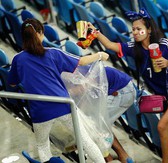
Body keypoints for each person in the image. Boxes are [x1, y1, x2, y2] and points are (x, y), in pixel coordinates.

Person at [87, 8, 168, 163]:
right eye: (133, 29)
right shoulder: (134, 47)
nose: (135, 32)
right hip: (166, 96)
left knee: (162, 127)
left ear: (149, 30)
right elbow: (110, 45)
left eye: (139, 29)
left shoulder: (165, 44)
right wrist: (95, 32)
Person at [7, 18, 109, 163]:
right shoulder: (53, 53)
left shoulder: (18, 59)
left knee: (43, 145)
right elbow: (81, 61)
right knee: (85, 141)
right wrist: (99, 55)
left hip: (39, 110)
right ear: (41, 33)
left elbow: (11, 83)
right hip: (63, 105)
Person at [77, 65, 136, 163]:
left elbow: (83, 90)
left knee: (94, 124)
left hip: (123, 91)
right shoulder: (78, 71)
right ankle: (123, 157)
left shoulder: (81, 74)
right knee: (98, 124)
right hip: (122, 89)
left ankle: (109, 158)